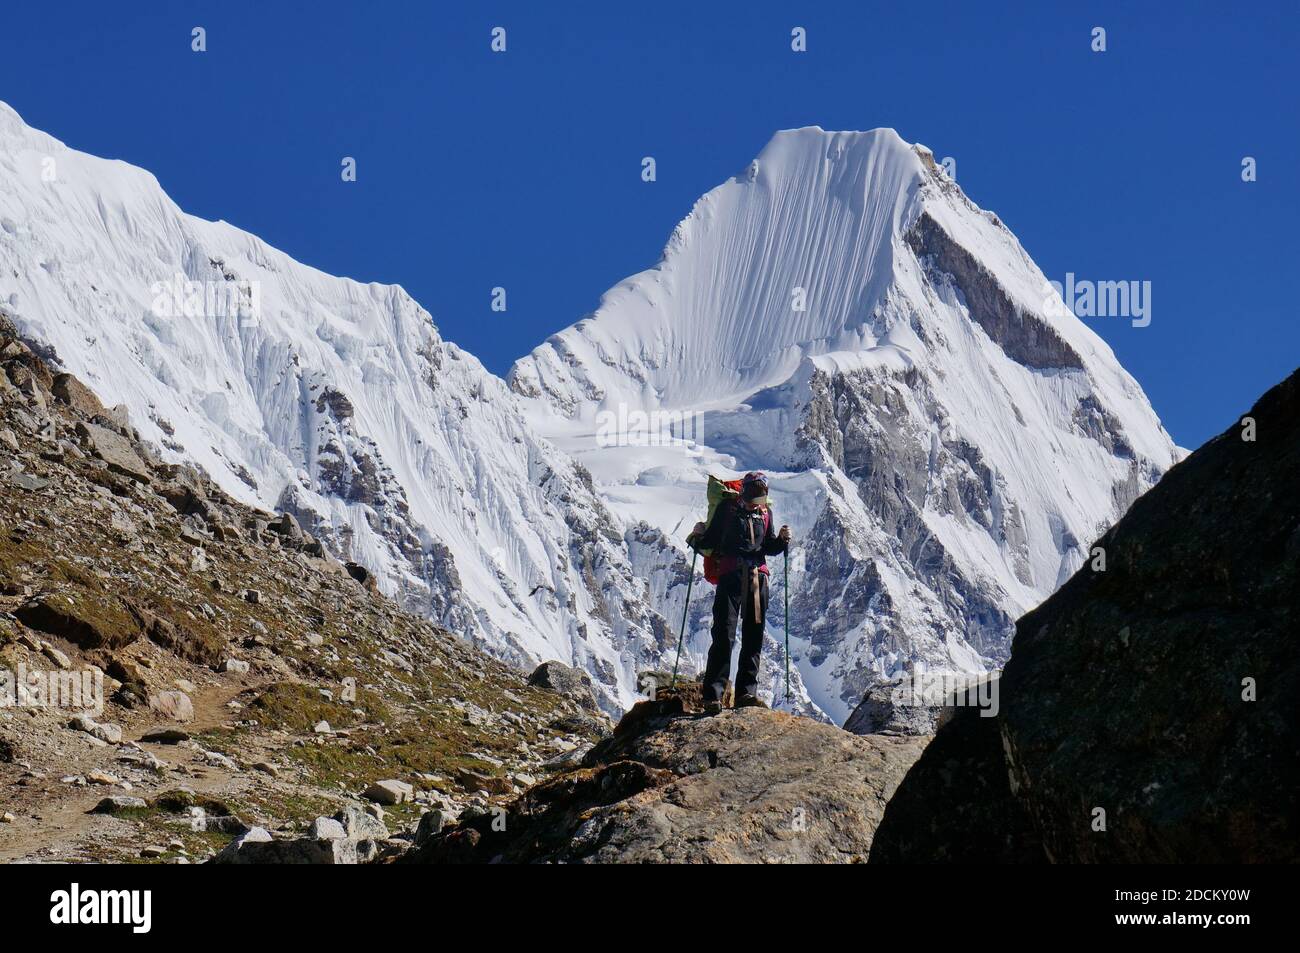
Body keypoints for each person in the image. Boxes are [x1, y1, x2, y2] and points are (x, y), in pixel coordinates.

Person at [688, 471, 790, 714]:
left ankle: (739, 694)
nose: (754, 504)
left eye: (758, 499)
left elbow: (767, 545)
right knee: (725, 633)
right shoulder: (727, 509)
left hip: (750, 577)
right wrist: (697, 535)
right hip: (736, 575)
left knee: (749, 635)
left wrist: (782, 541)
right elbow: (712, 540)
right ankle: (720, 695)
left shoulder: (764, 514)